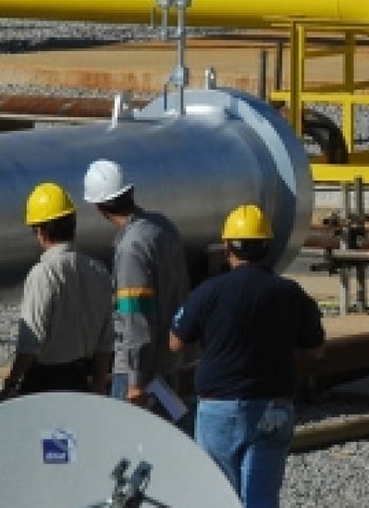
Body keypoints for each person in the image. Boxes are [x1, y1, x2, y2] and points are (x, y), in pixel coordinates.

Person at [169, 204, 326, 507]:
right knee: (261, 498)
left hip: (219, 408)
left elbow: (176, 342)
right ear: (267, 247)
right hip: (273, 407)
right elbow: (316, 350)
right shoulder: (290, 293)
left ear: (227, 247)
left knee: (220, 496)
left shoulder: (209, 292)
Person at [83, 158, 190, 407]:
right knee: (167, 427)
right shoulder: (162, 227)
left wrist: (136, 382)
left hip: (139, 373)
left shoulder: (132, 248)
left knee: (127, 433)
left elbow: (135, 317)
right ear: (130, 192)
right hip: (168, 364)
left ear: (98, 206)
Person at [2, 182, 113, 396]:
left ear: (41, 231)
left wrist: (13, 382)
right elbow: (106, 339)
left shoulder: (43, 274)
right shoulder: (98, 270)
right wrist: (99, 381)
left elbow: (30, 343)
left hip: (47, 382)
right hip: (83, 379)